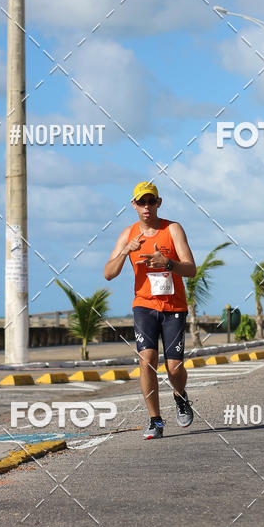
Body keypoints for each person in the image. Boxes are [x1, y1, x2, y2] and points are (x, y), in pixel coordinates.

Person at [104, 181, 197, 440]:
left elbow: (191, 269)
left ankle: (180, 397)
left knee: (175, 367)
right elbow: (108, 273)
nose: (147, 206)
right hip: (144, 305)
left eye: (151, 201)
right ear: (133, 205)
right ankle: (155, 420)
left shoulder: (173, 229)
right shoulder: (129, 234)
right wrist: (125, 251)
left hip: (173, 306)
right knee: (146, 361)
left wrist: (168, 262)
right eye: (141, 202)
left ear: (159, 202)